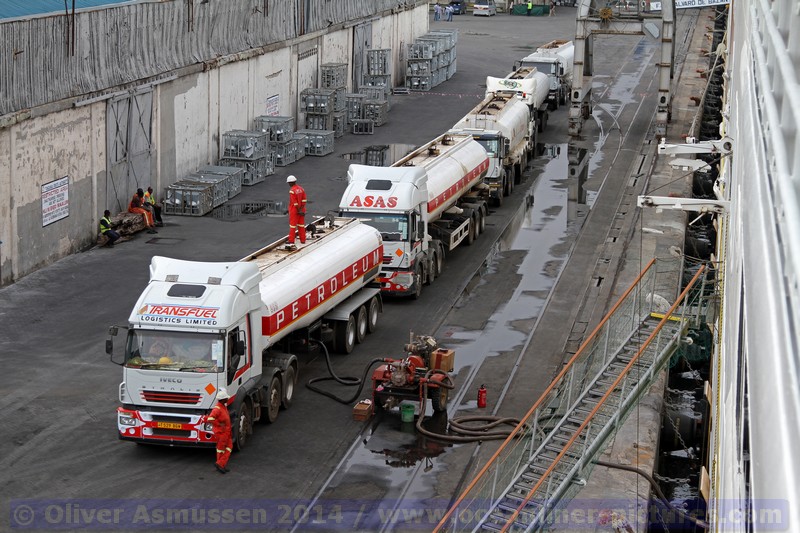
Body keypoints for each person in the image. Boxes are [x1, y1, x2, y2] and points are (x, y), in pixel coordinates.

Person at [208, 388, 232, 474]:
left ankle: (220, 464)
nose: (227, 399)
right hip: (221, 433)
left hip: (226, 432)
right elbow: (210, 419)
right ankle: (220, 464)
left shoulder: (223, 407)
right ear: (222, 400)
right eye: (226, 398)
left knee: (227, 448)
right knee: (222, 449)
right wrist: (219, 424)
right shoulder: (217, 409)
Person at [286, 175, 307, 248]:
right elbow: (304, 200)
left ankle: (291, 241)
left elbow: (294, 202)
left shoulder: (292, 191)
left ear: (291, 182)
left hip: (294, 210)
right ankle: (303, 240)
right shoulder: (301, 189)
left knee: (292, 226)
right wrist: (301, 209)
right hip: (302, 209)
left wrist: (298, 210)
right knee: (301, 225)